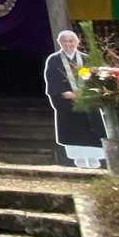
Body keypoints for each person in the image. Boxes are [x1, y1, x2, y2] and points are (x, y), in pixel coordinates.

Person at [43, 29, 104, 168]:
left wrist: (90, 92)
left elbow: (94, 79)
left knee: (91, 129)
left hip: (87, 99)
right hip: (67, 101)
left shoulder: (86, 58)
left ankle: (94, 158)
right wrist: (64, 92)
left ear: (77, 42)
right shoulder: (54, 60)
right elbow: (52, 79)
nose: (68, 44)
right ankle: (78, 158)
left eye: (71, 41)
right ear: (60, 43)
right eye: (65, 41)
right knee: (73, 130)